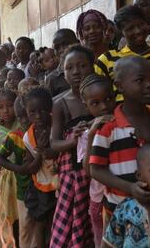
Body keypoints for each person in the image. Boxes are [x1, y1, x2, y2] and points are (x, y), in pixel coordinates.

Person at [89, 56, 150, 230]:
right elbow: (96, 169)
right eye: (140, 80)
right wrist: (130, 188)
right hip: (119, 216)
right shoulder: (109, 127)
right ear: (120, 85)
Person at [50, 45, 95, 247]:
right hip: (73, 175)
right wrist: (73, 141)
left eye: (82, 65)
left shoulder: (101, 97)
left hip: (98, 170)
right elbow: (54, 143)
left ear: (92, 67)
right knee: (73, 221)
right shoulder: (60, 103)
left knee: (95, 221)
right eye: (70, 68)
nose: (76, 72)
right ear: (63, 72)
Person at [97, 5, 150, 109]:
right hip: (123, 123)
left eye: (141, 24)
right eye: (130, 28)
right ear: (121, 32)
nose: (138, 31)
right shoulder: (107, 60)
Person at [78, 74, 116, 247]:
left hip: (120, 198)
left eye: (108, 99)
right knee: (102, 241)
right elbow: (88, 170)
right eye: (95, 103)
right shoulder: (86, 134)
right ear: (86, 105)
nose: (104, 107)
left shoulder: (122, 125)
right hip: (98, 198)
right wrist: (93, 133)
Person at [23, 88, 58, 248]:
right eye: (32, 112)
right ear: (26, 112)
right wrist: (40, 152)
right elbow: (32, 168)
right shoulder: (27, 137)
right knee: (41, 220)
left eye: (43, 110)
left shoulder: (58, 126)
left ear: (50, 108)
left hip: (61, 181)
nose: (38, 116)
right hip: (42, 185)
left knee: (56, 220)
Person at [0, 97, 35, 248]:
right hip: (23, 188)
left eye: (28, 115)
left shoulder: (43, 132)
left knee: (41, 224)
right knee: (25, 225)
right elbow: (0, 159)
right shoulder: (14, 137)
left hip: (44, 188)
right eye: (21, 117)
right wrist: (19, 169)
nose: (25, 120)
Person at [0, 89, 20, 230]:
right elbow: (14, 146)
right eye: (0, 107)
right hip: (11, 175)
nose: (6, 111)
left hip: (28, 172)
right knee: (13, 214)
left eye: (9, 105)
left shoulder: (22, 122)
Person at [45, 29, 79, 97]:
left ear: (78, 42)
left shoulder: (89, 66)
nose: (62, 49)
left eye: (66, 44)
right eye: (57, 47)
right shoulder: (52, 78)